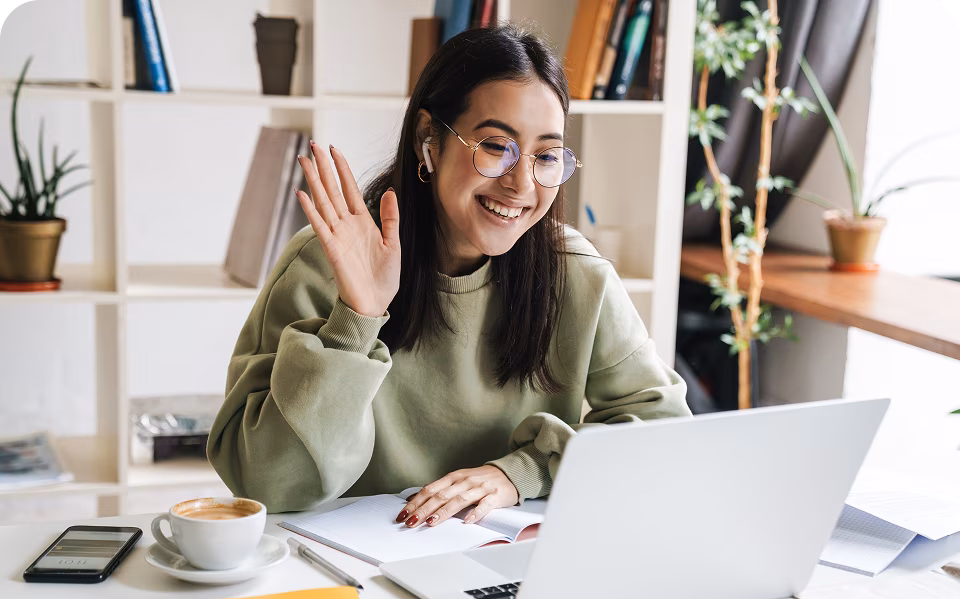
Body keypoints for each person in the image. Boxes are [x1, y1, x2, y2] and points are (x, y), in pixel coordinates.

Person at [207, 24, 691, 529]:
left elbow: (665, 433)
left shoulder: (575, 273)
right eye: (495, 146)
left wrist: (525, 471)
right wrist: (357, 318)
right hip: (353, 567)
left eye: (546, 156)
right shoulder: (323, 262)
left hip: (510, 557)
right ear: (429, 142)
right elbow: (268, 484)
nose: (521, 183)